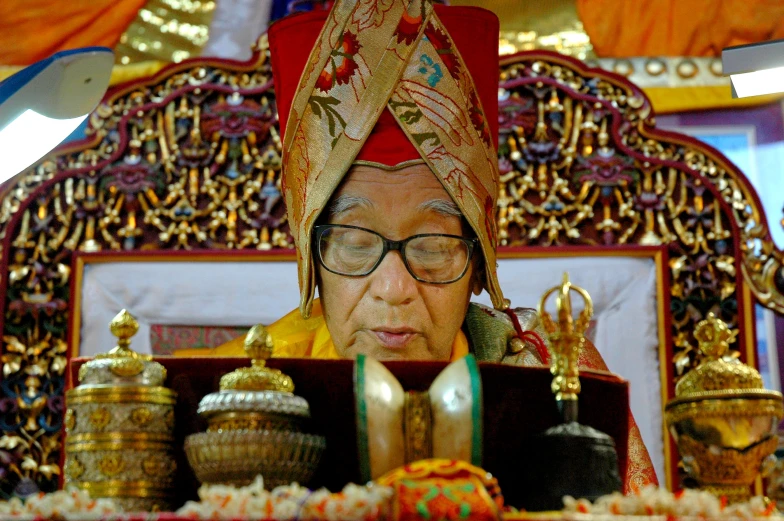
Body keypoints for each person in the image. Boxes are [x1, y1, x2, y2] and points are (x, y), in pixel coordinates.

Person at [213, 0, 657, 489]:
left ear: (478, 266)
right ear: (311, 263)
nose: (393, 288)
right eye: (357, 244)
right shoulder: (239, 395)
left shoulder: (547, 377)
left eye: (432, 246)